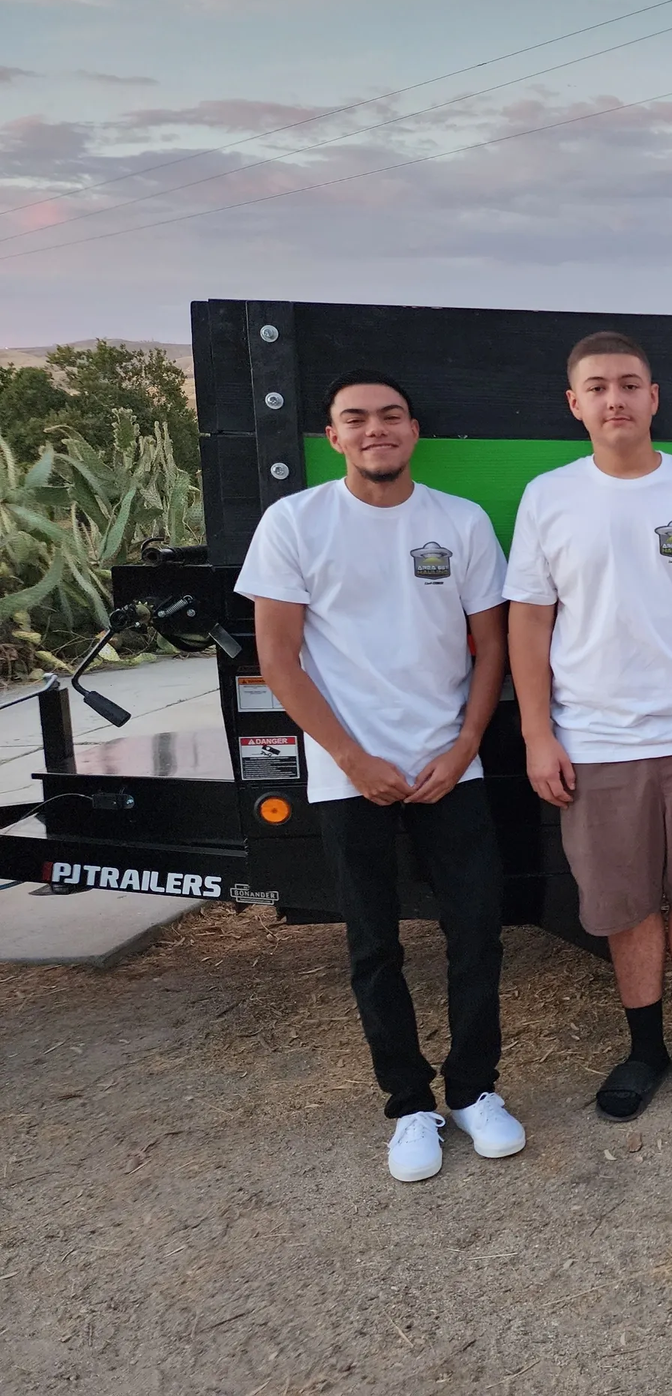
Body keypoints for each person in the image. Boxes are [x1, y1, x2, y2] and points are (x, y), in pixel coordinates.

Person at [239, 369, 525, 1181]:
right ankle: (410, 1107)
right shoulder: (294, 523)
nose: (376, 430)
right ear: (333, 437)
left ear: (413, 430)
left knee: (477, 933)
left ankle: (474, 1093)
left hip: (449, 767)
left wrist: (466, 745)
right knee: (374, 946)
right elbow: (279, 661)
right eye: (355, 419)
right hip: (346, 772)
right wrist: (352, 757)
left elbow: (492, 649)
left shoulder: (459, 523)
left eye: (391, 416)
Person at [505, 331, 672, 1122]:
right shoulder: (548, 497)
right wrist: (537, 734)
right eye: (598, 387)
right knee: (623, 904)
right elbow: (528, 622)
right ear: (575, 404)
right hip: (596, 744)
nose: (614, 398)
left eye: (629, 384)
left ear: (654, 398)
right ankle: (644, 1049)